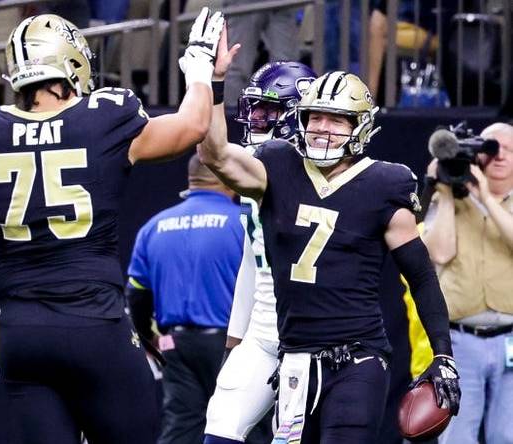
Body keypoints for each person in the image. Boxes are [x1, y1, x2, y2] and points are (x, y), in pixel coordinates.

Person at [0, 10, 224, 444]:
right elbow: (193, 125)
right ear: (70, 64)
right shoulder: (104, 118)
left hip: (23, 334)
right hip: (96, 326)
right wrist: (199, 67)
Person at [199, 36, 461, 443]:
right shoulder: (277, 164)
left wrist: (442, 353)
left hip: (357, 357)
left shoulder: (384, 182)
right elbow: (215, 154)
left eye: (336, 120)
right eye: (315, 117)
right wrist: (215, 86)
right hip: (293, 359)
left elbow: (422, 277)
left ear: (361, 127)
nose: (322, 128)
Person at [202, 60, 317, 444]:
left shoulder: (334, 178)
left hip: (320, 340)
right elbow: (254, 264)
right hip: (265, 332)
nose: (256, 118)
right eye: (254, 108)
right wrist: (235, 340)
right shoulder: (257, 175)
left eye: (268, 109)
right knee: (220, 424)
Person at [126, 153, 243, 444]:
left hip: (177, 346)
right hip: (234, 349)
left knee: (181, 430)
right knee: (244, 429)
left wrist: (151, 341)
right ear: (228, 178)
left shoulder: (154, 227)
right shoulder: (243, 224)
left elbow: (136, 297)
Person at [423, 122, 513, 444]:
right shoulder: (451, 197)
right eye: (490, 148)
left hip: (511, 340)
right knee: (457, 437)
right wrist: (446, 194)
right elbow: (439, 254)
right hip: (462, 339)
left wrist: (486, 198)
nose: (499, 155)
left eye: (509, 149)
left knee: (507, 435)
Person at [222, 0, 302, 107]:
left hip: (283, 5)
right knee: (238, 67)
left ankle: (285, 116)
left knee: (287, 67)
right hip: (243, 4)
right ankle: (232, 118)